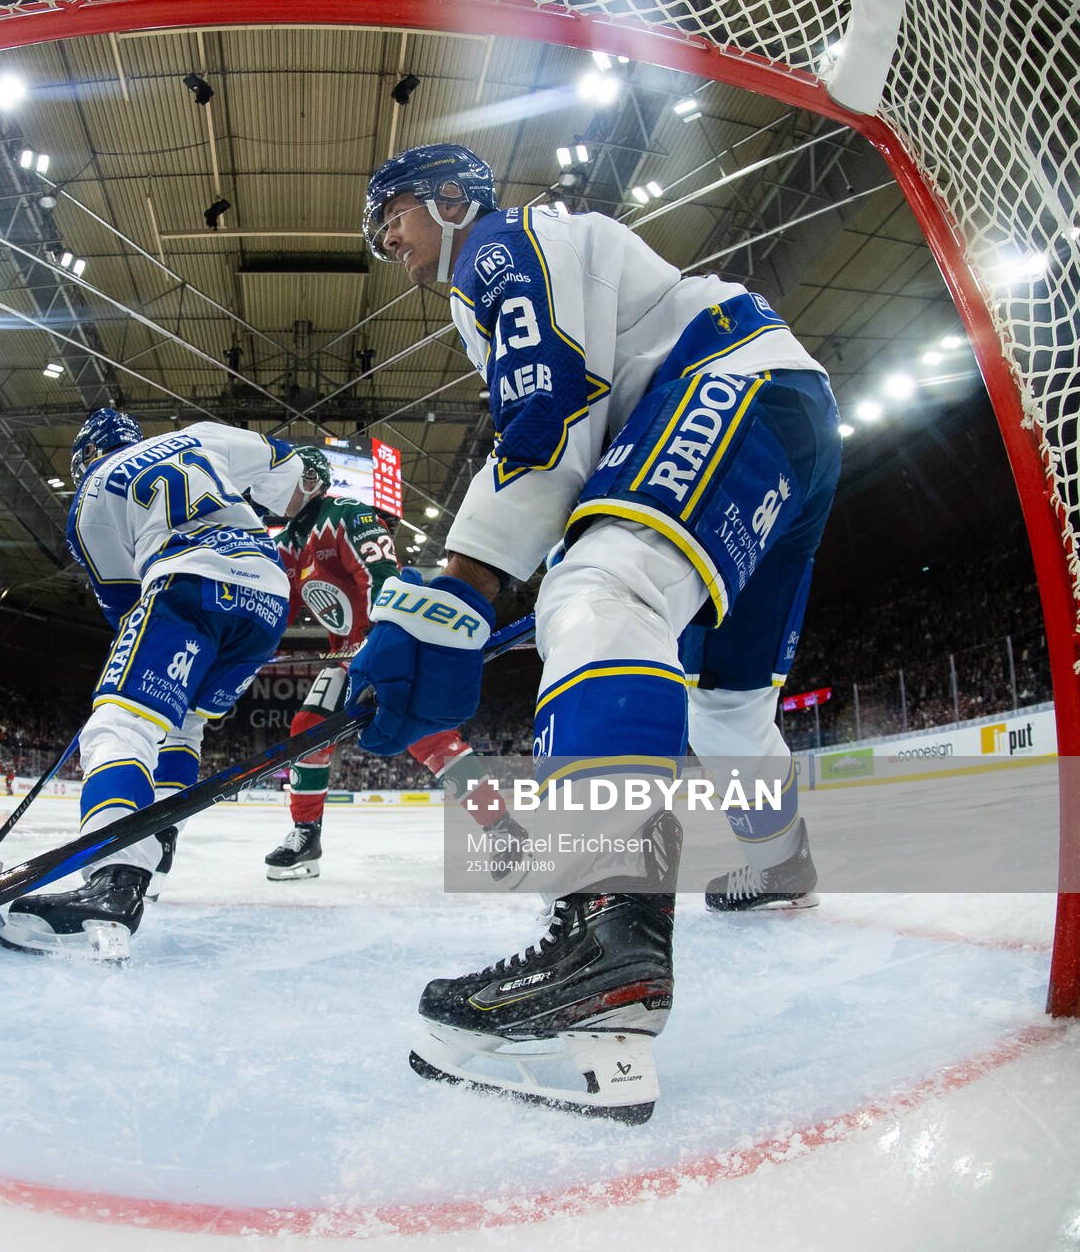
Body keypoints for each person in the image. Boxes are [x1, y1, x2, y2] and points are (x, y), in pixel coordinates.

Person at [350, 144, 840, 1121]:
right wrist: (469, 594)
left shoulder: (501, 245)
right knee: (728, 704)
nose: (386, 240)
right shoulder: (498, 279)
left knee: (601, 584)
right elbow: (577, 445)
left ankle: (608, 935)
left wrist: (464, 587)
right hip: (789, 411)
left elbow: (549, 414)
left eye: (392, 212)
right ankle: (779, 858)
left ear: (452, 195)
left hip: (728, 379)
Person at [0, 409, 322, 960]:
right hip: (267, 593)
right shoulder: (197, 437)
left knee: (119, 727)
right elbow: (289, 467)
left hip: (186, 583)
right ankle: (159, 843)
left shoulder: (92, 493)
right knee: (185, 725)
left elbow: (126, 606)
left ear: (86, 456)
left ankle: (114, 882)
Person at [264, 452, 521, 880]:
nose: (274, 488)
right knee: (308, 730)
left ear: (310, 480)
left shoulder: (349, 513)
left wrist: (385, 639)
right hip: (347, 654)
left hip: (386, 642)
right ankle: (306, 834)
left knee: (435, 741)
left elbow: (381, 575)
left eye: (284, 478)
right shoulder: (289, 541)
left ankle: (502, 828)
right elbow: (279, 603)